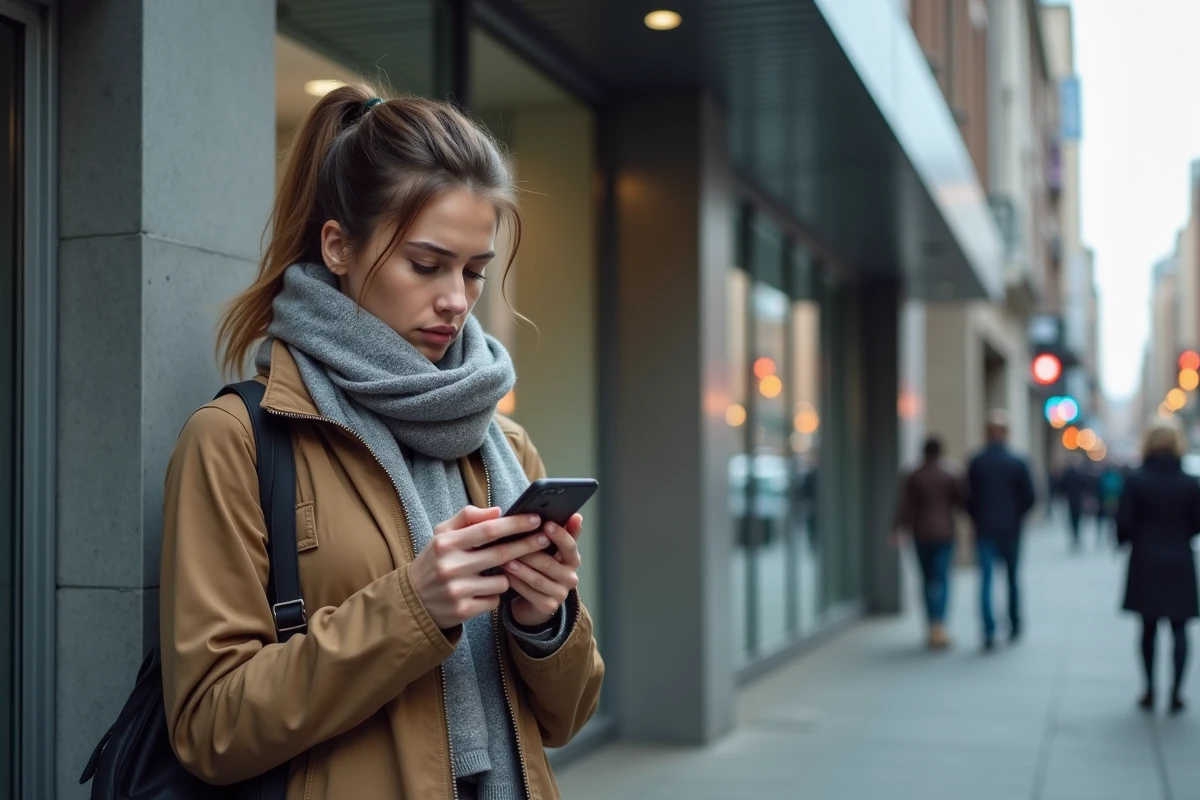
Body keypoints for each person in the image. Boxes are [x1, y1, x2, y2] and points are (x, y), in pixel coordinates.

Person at [159, 86, 604, 798]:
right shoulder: (238, 440)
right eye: (426, 265)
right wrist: (412, 606)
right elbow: (210, 726)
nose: (457, 299)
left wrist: (544, 621)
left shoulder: (505, 445)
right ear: (338, 246)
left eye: (474, 271)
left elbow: (567, 717)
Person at [1117, 421, 1200, 715]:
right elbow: (1196, 524)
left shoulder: (1136, 480)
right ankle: (1176, 692)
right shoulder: (1190, 482)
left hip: (1145, 559)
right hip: (1179, 558)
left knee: (1148, 627)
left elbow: (1124, 522)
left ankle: (1150, 689)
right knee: (1180, 628)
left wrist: (1128, 539)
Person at [966, 411, 1036, 651]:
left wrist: (977, 517)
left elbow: (968, 499)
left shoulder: (977, 461)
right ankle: (1014, 624)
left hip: (985, 528)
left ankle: (988, 631)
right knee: (1012, 578)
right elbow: (1031, 497)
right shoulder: (1017, 461)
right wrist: (1016, 516)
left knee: (986, 580)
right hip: (1011, 529)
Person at [893, 436, 966, 649]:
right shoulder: (949, 474)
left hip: (921, 532)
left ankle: (932, 623)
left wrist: (897, 528)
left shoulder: (914, 474)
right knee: (942, 579)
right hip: (944, 532)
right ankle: (939, 624)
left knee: (927, 580)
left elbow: (905, 505)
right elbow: (961, 501)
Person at [1060, 454, 1094, 551]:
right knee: (1073, 520)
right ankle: (1075, 536)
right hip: (1072, 500)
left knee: (1078, 520)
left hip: (1079, 500)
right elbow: (1062, 485)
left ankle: (1077, 536)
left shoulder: (1082, 472)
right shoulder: (1069, 473)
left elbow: (1088, 485)